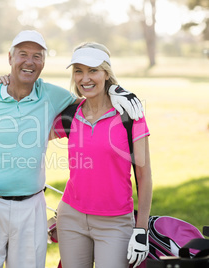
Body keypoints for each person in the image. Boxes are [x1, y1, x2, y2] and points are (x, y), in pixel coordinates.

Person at [0, 31, 144, 268]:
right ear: (10, 57)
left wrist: (115, 90)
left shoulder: (52, 96)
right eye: (23, 54)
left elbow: (91, 100)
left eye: (37, 56)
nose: (29, 61)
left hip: (32, 209)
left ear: (43, 63)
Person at [51, 42, 152, 268]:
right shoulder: (71, 114)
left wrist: (141, 229)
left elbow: (144, 176)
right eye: (78, 71)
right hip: (71, 217)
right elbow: (31, 132)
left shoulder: (130, 114)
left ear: (106, 73)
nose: (85, 78)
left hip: (115, 223)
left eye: (93, 70)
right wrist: (4, 83)